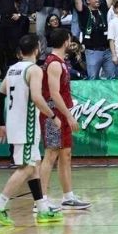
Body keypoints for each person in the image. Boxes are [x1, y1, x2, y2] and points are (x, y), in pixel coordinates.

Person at [0, 34, 64, 226]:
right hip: (26, 125)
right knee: (27, 168)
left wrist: (1, 123)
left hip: (15, 124)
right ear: (37, 49)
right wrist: (53, 117)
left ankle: (43, 209)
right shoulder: (34, 69)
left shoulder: (12, 69)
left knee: (34, 166)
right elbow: (37, 98)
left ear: (20, 51)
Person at [38, 28, 91, 211]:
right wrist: (68, 116)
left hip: (62, 112)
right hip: (53, 113)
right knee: (51, 154)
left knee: (65, 155)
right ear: (66, 41)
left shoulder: (61, 61)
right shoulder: (53, 63)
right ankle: (41, 201)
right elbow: (53, 94)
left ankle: (68, 197)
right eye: (70, 39)